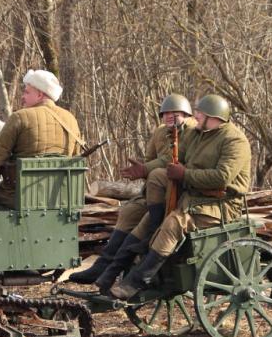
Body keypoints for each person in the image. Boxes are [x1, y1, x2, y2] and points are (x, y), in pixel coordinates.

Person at [110, 94, 251, 299]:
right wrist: (145, 169)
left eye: (199, 114)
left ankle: (137, 281)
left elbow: (222, 177)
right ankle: (136, 252)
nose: (196, 116)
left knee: (173, 224)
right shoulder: (198, 134)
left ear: (213, 116)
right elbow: (171, 158)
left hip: (221, 204)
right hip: (193, 199)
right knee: (157, 185)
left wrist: (185, 174)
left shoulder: (235, 140)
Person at [69, 93, 196, 287]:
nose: (170, 117)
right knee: (129, 211)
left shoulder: (192, 132)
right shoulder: (160, 132)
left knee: (152, 192)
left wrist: (146, 169)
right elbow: (150, 158)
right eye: (166, 114)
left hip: (181, 193)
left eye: (176, 113)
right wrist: (143, 170)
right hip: (157, 192)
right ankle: (103, 267)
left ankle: (148, 238)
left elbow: (170, 162)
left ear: (186, 114)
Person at [0, 69, 83, 207]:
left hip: (17, 198)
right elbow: (75, 160)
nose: (22, 96)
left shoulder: (20, 117)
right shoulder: (71, 120)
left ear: (40, 94)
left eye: (27, 92)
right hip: (59, 199)